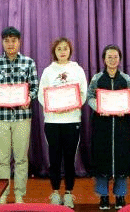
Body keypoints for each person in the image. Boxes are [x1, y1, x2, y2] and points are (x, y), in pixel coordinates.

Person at [0, 26, 39, 204]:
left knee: (21, 159)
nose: (10, 44)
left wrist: (29, 98)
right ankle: (2, 195)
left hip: (22, 117)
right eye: (7, 41)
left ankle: (20, 194)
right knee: (2, 159)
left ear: (19, 42)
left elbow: (35, 87)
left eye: (13, 40)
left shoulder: (29, 63)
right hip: (0, 117)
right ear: (2, 42)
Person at [38, 37, 88, 208]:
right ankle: (54, 192)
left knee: (69, 159)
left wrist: (71, 106)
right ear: (54, 51)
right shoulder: (48, 71)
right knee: (54, 158)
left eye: (65, 48)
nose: (62, 51)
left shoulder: (77, 70)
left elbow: (83, 93)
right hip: (52, 121)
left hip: (72, 120)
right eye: (59, 49)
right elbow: (41, 94)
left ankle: (68, 193)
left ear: (70, 50)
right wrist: (53, 107)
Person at [87, 44, 130, 210]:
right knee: (101, 160)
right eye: (109, 57)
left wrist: (127, 108)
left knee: (122, 160)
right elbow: (90, 97)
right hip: (102, 126)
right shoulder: (97, 79)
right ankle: (103, 196)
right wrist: (99, 108)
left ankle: (121, 196)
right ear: (104, 59)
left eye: (116, 57)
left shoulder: (126, 79)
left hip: (122, 126)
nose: (113, 60)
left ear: (120, 59)